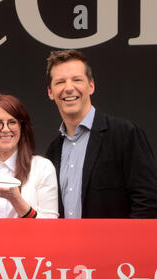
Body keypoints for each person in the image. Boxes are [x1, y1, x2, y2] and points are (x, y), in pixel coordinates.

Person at [45, 49, 157, 218]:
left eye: (77, 80)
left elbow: (148, 201)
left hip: (116, 244)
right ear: (50, 92)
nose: (69, 88)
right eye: (60, 82)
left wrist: (128, 244)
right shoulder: (53, 151)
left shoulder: (125, 135)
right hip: (66, 244)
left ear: (91, 86)